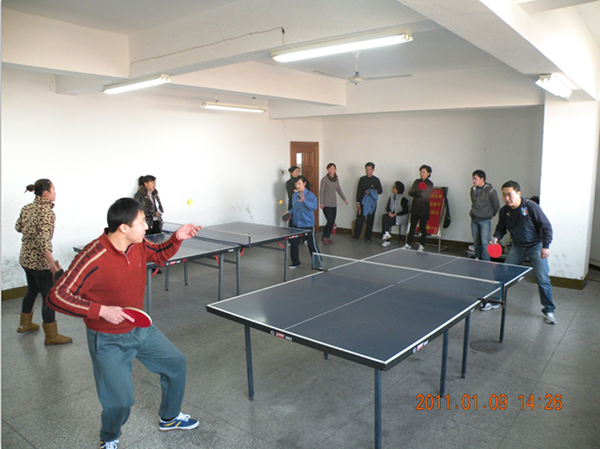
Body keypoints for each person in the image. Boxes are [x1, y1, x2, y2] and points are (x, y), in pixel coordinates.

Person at [47, 198, 201, 449]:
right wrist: (100, 311)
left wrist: (177, 238)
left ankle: (170, 418)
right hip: (107, 339)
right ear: (123, 228)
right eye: (142, 222)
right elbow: (57, 296)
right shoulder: (93, 256)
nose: (147, 226)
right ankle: (109, 437)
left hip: (140, 327)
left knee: (176, 363)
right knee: (119, 402)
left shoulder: (138, 244)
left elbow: (158, 254)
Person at [15, 179, 72, 345]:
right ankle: (51, 335)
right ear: (46, 193)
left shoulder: (26, 208)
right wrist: (51, 262)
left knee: (32, 289)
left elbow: (18, 227)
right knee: (49, 296)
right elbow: (44, 240)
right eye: (53, 190)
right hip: (39, 263)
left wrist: (30, 230)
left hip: (25, 258)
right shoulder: (47, 212)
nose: (55, 192)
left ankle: (24, 324)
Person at [491, 181, 556, 324]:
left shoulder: (531, 207)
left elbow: (546, 226)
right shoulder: (504, 211)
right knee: (503, 274)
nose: (506, 198)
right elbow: (501, 228)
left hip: (536, 247)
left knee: (542, 279)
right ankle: (495, 300)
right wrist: (496, 237)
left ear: (518, 193)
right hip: (517, 248)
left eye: (510, 194)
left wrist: (546, 246)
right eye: (504, 194)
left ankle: (549, 310)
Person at [288, 176, 321, 269]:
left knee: (312, 244)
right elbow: (294, 208)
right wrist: (289, 212)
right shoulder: (294, 196)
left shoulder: (310, 195)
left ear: (304, 184)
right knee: (294, 244)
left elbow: (313, 207)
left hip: (307, 224)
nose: (297, 186)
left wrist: (304, 201)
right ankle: (296, 262)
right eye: (296, 184)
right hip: (296, 224)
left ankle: (317, 263)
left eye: (299, 184)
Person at [469, 169, 500, 261]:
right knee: (476, 241)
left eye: (475, 179)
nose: (473, 181)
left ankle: (486, 261)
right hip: (474, 218)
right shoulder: (472, 189)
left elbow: (496, 205)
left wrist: (491, 215)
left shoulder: (491, 190)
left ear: (482, 179)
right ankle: (477, 258)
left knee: (484, 242)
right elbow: (473, 203)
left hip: (485, 220)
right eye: (473, 179)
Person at [404, 165, 434, 252]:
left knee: (422, 227)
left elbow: (424, 195)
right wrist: (418, 192)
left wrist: (416, 191)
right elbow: (410, 192)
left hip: (424, 209)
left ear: (428, 173)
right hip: (415, 207)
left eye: (424, 172)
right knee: (412, 226)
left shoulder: (430, 184)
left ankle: (422, 245)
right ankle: (408, 244)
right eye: (421, 172)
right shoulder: (416, 181)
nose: (422, 174)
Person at [351, 162, 383, 242]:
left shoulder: (376, 180)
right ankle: (356, 236)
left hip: (372, 203)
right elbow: (358, 191)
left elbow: (380, 190)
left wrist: (371, 191)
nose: (367, 171)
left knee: (370, 219)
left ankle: (368, 237)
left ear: (373, 170)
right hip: (362, 202)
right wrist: (358, 202)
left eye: (369, 169)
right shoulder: (362, 179)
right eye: (366, 169)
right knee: (359, 219)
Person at [320, 163, 348, 245]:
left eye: (332, 169)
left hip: (334, 204)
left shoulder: (336, 180)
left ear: (335, 170)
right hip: (326, 204)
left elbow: (339, 190)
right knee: (330, 220)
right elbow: (321, 192)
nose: (330, 170)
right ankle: (324, 237)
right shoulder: (324, 179)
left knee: (332, 222)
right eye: (329, 169)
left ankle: (327, 237)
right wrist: (321, 203)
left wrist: (344, 199)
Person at [381, 181, 409, 247]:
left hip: (399, 217)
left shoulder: (403, 199)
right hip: (392, 215)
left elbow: (405, 211)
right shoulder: (391, 197)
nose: (393, 188)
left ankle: (387, 238)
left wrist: (395, 214)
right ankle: (386, 234)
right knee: (385, 217)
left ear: (398, 189)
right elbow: (388, 207)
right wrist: (389, 212)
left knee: (386, 220)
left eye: (394, 187)